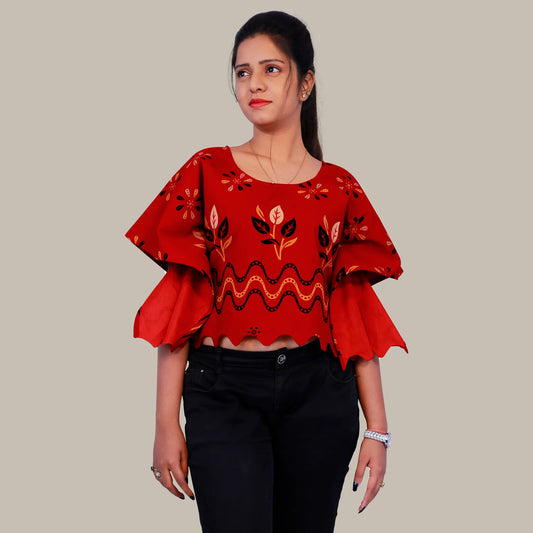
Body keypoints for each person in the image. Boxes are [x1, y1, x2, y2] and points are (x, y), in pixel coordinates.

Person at [124, 10, 407, 533]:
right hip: (222, 391)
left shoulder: (340, 189)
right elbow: (184, 298)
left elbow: (353, 309)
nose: (254, 83)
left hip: (320, 392)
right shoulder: (207, 171)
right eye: (242, 72)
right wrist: (165, 424)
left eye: (271, 69)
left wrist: (378, 429)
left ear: (306, 83)